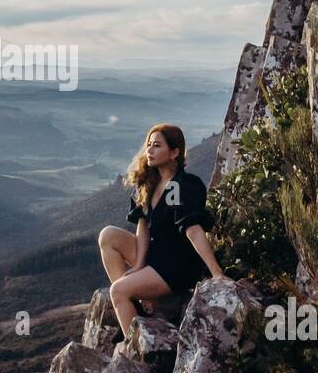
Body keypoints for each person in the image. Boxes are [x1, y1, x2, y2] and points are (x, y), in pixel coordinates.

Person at [96, 123, 227, 339]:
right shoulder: (149, 183)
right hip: (155, 257)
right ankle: (134, 301)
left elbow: (193, 229)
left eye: (157, 145)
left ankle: (136, 346)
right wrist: (138, 266)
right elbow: (143, 227)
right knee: (107, 235)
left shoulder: (184, 185)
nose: (149, 150)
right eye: (149, 145)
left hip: (177, 265)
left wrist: (216, 272)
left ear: (174, 152)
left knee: (117, 291)